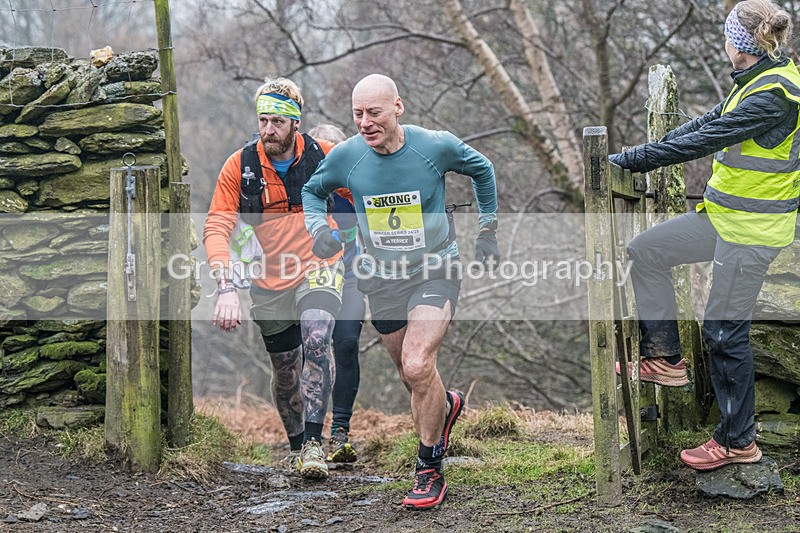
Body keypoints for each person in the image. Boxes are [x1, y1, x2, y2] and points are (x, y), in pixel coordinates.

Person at [609, 0, 798, 471]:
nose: (723, 43)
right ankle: (664, 358)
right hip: (724, 218)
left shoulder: (775, 95)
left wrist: (630, 162)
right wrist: (632, 154)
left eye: (728, 36)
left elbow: (702, 142)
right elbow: (705, 123)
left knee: (723, 332)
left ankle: (738, 441)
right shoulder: (760, 79)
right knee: (645, 251)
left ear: (740, 44)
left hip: (752, 231)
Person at [302, 74, 500, 509]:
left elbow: (482, 169)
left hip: (435, 269)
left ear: (398, 107)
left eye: (374, 112)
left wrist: (487, 227)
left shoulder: (434, 146)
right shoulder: (348, 157)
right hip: (382, 278)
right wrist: (318, 229)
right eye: (357, 114)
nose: (365, 123)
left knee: (416, 364)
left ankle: (429, 468)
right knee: (414, 376)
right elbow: (311, 191)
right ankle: (445, 406)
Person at [203, 77, 345, 480]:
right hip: (267, 278)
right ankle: (298, 447)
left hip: (320, 265)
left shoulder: (325, 156)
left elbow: (366, 195)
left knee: (317, 338)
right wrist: (225, 286)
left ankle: (316, 444)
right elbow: (216, 226)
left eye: (277, 122)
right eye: (263, 120)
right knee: (286, 369)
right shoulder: (241, 165)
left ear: (296, 123)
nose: (268, 130)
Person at [307, 124, 366, 464]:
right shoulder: (307, 189)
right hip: (310, 276)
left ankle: (341, 429)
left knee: (346, 341)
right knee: (310, 345)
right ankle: (307, 432)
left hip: (352, 274)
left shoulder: (356, 187)